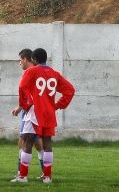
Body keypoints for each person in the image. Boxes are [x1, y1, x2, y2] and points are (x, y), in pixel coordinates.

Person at [15, 48, 75, 184]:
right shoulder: (55, 74)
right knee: (47, 143)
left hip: (35, 111)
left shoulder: (32, 71)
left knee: (27, 141)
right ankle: (47, 177)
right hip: (49, 112)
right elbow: (70, 90)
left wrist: (25, 103)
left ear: (34, 60)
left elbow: (22, 86)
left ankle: (23, 177)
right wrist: (58, 105)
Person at [10, 49, 44, 181]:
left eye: (20, 60)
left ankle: (21, 174)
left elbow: (30, 96)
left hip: (31, 112)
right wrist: (19, 108)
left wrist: (23, 107)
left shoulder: (31, 73)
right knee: (36, 141)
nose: (20, 63)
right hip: (33, 111)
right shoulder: (38, 72)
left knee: (24, 141)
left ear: (25, 59)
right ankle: (45, 173)